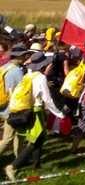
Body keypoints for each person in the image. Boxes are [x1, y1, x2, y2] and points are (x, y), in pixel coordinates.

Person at [5, 52, 65, 181]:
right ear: (43, 65)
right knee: (35, 141)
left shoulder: (28, 75)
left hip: (30, 110)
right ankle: (12, 167)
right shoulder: (41, 78)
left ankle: (37, 166)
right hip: (36, 111)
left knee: (41, 137)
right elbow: (47, 99)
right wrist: (59, 114)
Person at [0, 44, 29, 157]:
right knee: (8, 138)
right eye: (24, 55)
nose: (25, 57)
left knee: (19, 134)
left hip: (3, 105)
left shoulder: (4, 67)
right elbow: (18, 91)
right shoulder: (17, 71)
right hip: (12, 109)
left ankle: (19, 157)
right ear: (19, 56)